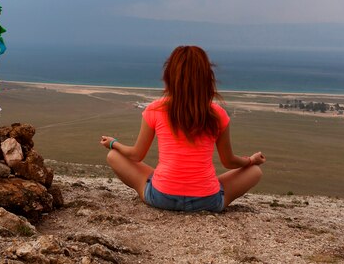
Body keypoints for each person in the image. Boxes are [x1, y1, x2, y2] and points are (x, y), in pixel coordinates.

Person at [100, 45, 265, 212]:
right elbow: (229, 162)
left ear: (170, 75)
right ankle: (202, 189)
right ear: (206, 77)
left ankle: (164, 184)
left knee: (114, 156)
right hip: (207, 202)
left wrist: (114, 143)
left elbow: (136, 155)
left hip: (161, 198)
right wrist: (251, 160)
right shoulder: (217, 114)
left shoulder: (155, 109)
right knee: (254, 171)